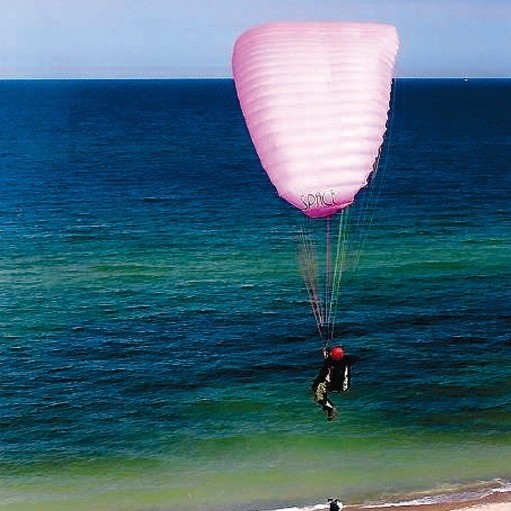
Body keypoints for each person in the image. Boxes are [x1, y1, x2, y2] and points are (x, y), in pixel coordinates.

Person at [311, 345, 353, 421]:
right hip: (343, 386)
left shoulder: (329, 364)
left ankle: (330, 408)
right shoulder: (346, 361)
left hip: (333, 385)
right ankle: (327, 406)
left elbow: (325, 375)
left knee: (318, 396)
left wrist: (316, 383)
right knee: (319, 391)